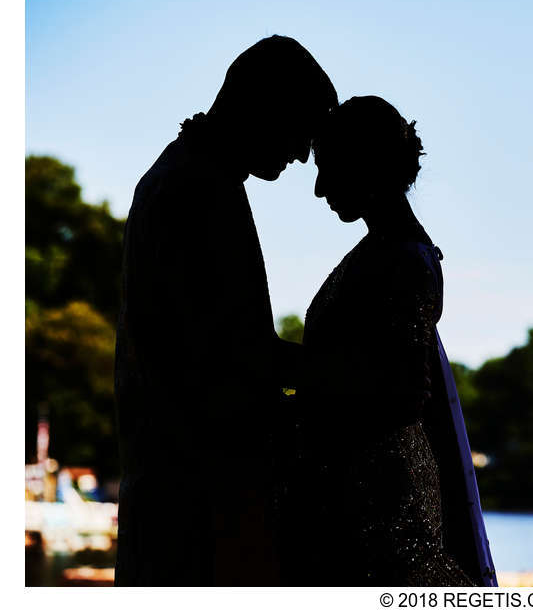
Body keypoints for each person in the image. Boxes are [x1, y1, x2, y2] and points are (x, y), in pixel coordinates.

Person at [113, 35, 338, 586]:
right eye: (299, 132)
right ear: (263, 107)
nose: (302, 156)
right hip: (197, 504)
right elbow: (232, 352)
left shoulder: (185, 175)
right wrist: (349, 375)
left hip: (179, 490)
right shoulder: (196, 189)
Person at [284, 96, 496, 586]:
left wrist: (288, 377)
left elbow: (402, 393)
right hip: (369, 489)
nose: (319, 190)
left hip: (381, 499)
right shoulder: (389, 253)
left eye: (328, 169)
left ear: (366, 167)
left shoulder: (402, 261)